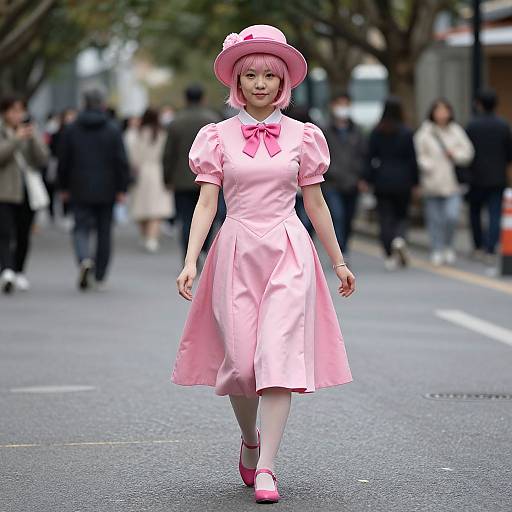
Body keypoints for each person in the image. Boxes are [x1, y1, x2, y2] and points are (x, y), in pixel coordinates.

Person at [171, 25, 355, 504]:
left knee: (276, 356)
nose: (259, 83)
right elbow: (207, 204)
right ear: (236, 80)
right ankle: (249, 440)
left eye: (268, 76)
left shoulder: (304, 136)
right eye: (249, 74)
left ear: (282, 83)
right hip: (234, 251)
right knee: (240, 363)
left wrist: (338, 262)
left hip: (289, 251)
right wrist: (191, 259)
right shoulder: (215, 137)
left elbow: (315, 204)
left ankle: (268, 466)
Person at [57, 88, 129, 291]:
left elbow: (64, 161)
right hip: (107, 188)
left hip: (78, 186)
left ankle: (83, 259)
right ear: (102, 104)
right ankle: (99, 274)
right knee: (104, 231)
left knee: (80, 227)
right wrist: (122, 188)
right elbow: (121, 161)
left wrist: (63, 186)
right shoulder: (112, 129)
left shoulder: (71, 129)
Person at [162, 84, 222, 262]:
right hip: (210, 177)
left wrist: (167, 178)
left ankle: (189, 254)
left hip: (181, 178)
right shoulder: (213, 120)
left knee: (186, 217)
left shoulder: (175, 121)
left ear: (185, 99)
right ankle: (203, 248)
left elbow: (169, 153)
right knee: (209, 213)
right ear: (203, 98)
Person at [414, 99, 474, 266]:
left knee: (452, 216)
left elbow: (469, 152)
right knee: (434, 220)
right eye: (438, 110)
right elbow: (418, 155)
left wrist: (455, 155)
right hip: (431, 182)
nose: (441, 114)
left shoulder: (456, 131)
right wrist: (427, 165)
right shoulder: (424, 132)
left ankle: (448, 246)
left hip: (453, 183)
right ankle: (437, 248)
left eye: (444, 110)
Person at [361, 96, 419, 270]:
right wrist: (416, 182)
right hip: (403, 180)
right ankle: (399, 238)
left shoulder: (377, 132)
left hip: (382, 179)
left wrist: (366, 179)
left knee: (385, 217)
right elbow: (412, 160)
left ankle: (388, 254)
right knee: (401, 215)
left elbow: (369, 158)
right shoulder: (407, 132)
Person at [0, 96, 49, 293]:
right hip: (4, 191)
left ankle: (19, 270)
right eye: (13, 111)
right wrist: (15, 139)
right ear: (5, 112)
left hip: (27, 191)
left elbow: (43, 158)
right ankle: (7, 271)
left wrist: (33, 137)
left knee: (23, 233)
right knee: (4, 233)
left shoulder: (30, 132)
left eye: (20, 111)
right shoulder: (3, 132)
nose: (17, 115)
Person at [466, 89, 512, 264]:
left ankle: (478, 246)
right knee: (495, 214)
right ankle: (491, 248)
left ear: (478, 103)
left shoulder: (472, 125)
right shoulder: (503, 125)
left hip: (475, 176)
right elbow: (509, 152)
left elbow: (466, 151)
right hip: (497, 176)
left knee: (475, 213)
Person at [323, 92, 366, 256]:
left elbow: (363, 155)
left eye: (346, 104)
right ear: (332, 106)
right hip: (331, 183)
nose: (343, 108)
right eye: (339, 104)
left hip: (353, 182)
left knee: (348, 218)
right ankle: (339, 250)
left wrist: (362, 177)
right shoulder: (324, 130)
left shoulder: (357, 131)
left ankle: (345, 245)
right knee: (337, 215)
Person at [125, 108, 173, 252]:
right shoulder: (162, 133)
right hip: (158, 172)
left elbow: (133, 157)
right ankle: (152, 238)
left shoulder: (136, 134)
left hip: (141, 172)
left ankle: (145, 235)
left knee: (141, 206)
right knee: (156, 208)